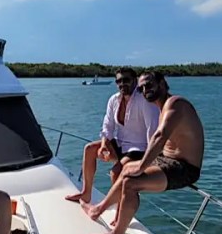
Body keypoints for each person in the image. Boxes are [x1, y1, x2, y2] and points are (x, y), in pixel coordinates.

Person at [87, 71, 204, 234]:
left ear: (162, 83)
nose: (144, 90)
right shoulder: (162, 106)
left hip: (184, 167)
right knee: (124, 170)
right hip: (166, 160)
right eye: (141, 88)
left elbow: (160, 135)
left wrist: (142, 166)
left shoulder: (175, 104)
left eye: (148, 85)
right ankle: (99, 209)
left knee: (131, 182)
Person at [65, 67, 158, 208]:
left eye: (126, 80)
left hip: (139, 147)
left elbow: (153, 130)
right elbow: (107, 126)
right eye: (118, 81)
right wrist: (103, 145)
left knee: (115, 172)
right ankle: (86, 193)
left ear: (135, 80)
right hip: (120, 144)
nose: (122, 84)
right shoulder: (114, 100)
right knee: (89, 149)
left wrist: (150, 159)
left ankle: (120, 210)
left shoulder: (144, 101)